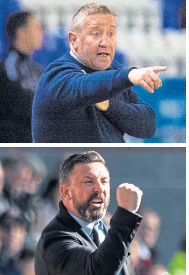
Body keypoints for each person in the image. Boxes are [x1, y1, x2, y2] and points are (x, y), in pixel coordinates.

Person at [32, 3, 167, 143]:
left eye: (111, 33)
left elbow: (148, 125)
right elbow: (83, 85)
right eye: (96, 34)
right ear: (74, 40)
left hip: (111, 163)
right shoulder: (56, 75)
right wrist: (129, 75)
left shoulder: (113, 73)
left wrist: (109, 105)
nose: (105, 42)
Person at [35, 151, 144, 275]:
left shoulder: (109, 230)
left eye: (104, 181)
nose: (100, 189)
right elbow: (98, 271)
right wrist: (125, 215)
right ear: (65, 192)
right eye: (88, 182)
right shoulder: (55, 238)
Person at [0, 11, 44, 142]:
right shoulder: (8, 66)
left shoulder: (38, 69)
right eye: (36, 27)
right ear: (21, 32)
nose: (41, 33)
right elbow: (17, 100)